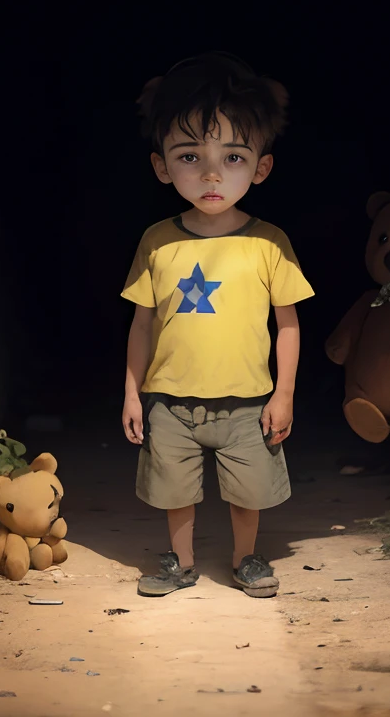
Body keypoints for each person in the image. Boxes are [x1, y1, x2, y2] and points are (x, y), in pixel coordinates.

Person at [120, 51, 314, 599]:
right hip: (170, 399)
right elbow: (141, 324)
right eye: (189, 156)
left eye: (232, 156)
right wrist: (133, 394)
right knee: (174, 487)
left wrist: (285, 394)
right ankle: (179, 562)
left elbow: (289, 326)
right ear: (161, 166)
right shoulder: (157, 241)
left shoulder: (269, 242)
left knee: (246, 488)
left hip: (249, 400)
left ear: (261, 167)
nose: (210, 174)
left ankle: (246, 558)